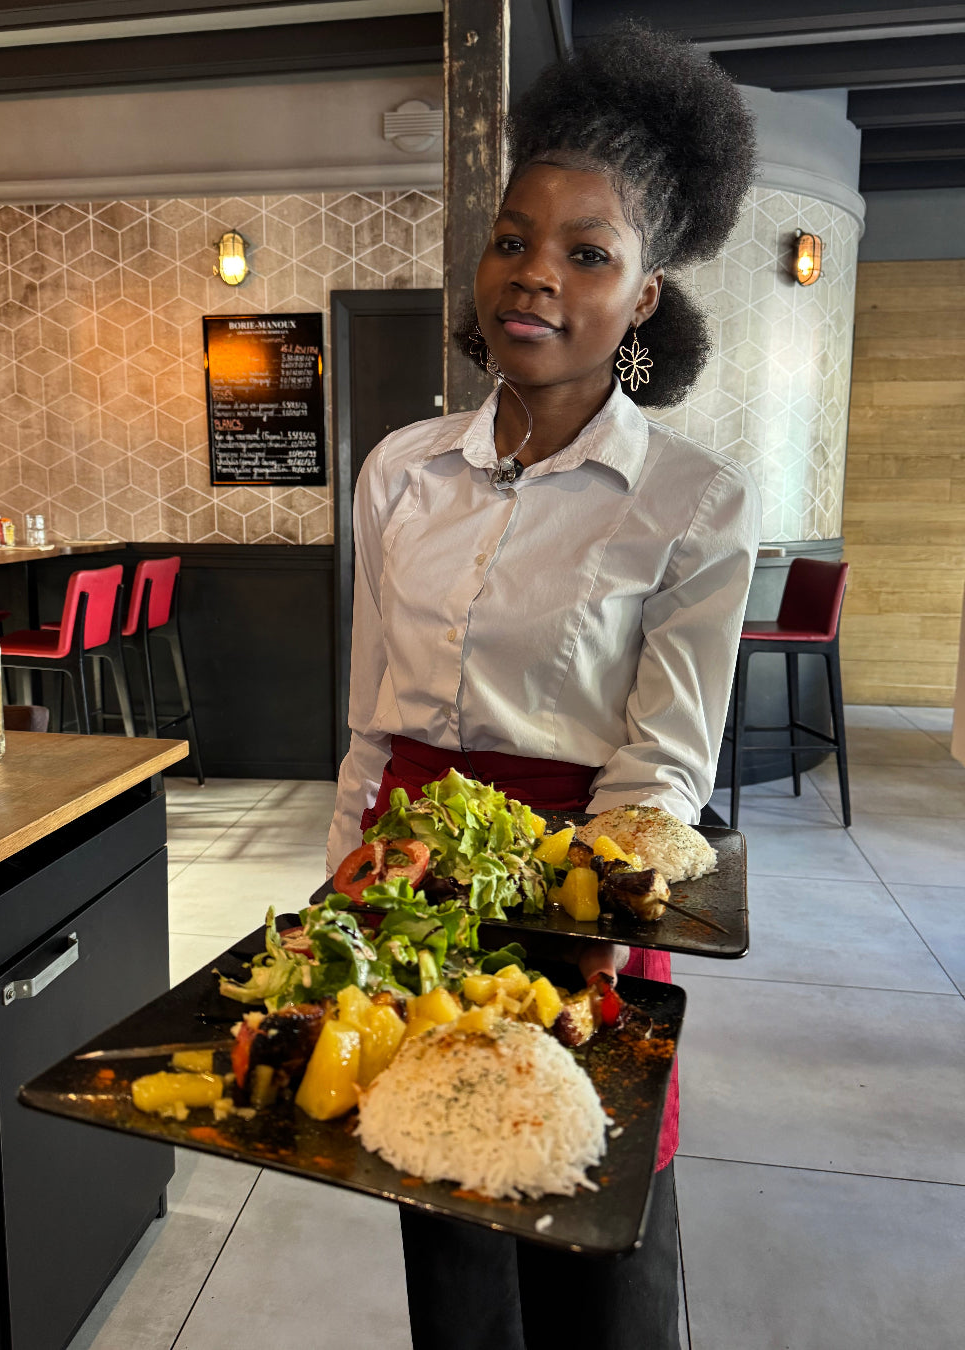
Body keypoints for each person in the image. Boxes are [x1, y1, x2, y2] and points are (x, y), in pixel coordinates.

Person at [326, 22, 761, 1350]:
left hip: (582, 889)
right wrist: (340, 884)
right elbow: (371, 723)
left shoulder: (693, 500)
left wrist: (587, 925)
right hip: (405, 888)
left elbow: (664, 764)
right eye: (515, 238)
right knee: (446, 1234)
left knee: (595, 1236)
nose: (536, 274)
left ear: (644, 298)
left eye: (588, 253)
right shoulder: (401, 471)